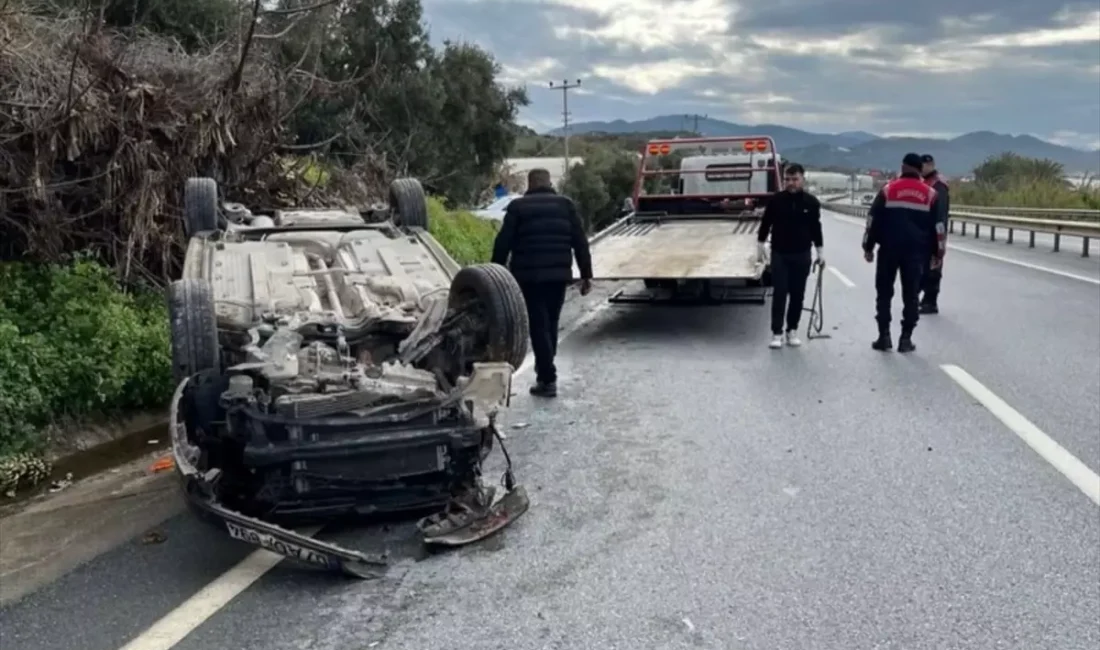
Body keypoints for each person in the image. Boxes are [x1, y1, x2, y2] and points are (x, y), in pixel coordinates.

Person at [491, 168, 592, 397]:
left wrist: (495, 272)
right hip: (558, 277)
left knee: (538, 326)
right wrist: (586, 275)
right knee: (551, 322)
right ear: (549, 183)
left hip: (529, 277)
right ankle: (545, 367)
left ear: (530, 184)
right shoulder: (566, 205)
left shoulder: (518, 207)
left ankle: (547, 378)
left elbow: (503, 243)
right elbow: (580, 242)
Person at [862, 153, 945, 353]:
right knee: (911, 296)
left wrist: (868, 247)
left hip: (889, 251)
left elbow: (872, 220)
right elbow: (939, 228)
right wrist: (938, 254)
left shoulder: (888, 190)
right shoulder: (931, 194)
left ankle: (884, 337)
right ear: (920, 170)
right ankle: (905, 339)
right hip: (916, 254)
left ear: (902, 167)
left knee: (884, 294)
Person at [757, 163, 825, 349]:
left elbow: (816, 228)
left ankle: (792, 330)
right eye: (787, 179)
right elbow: (766, 223)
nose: (791, 183)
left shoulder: (811, 203)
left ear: (802, 179)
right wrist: (760, 244)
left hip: (802, 254)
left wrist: (820, 251)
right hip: (780, 253)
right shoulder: (776, 200)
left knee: (797, 294)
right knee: (780, 293)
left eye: (795, 179)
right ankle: (776, 332)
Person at [918, 154, 949, 314]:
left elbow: (940, 214)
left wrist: (939, 238)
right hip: (921, 232)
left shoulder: (938, 184)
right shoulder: (922, 182)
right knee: (919, 267)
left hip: (934, 232)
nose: (924, 168)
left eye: (926, 165)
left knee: (933, 267)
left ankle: (930, 301)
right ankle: (919, 298)